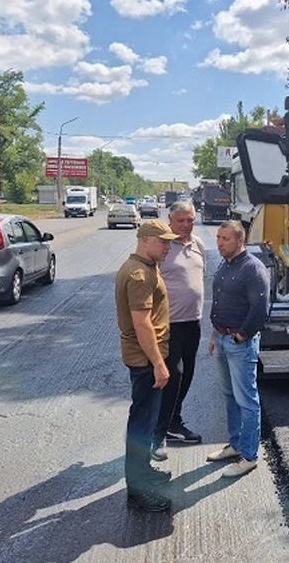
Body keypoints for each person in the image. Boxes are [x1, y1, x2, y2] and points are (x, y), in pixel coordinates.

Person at [114, 219, 178, 512]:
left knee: (145, 420)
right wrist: (158, 364)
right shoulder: (139, 275)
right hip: (144, 360)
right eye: (163, 242)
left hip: (145, 358)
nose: (168, 247)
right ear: (145, 240)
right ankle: (139, 491)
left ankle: (142, 476)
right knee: (141, 425)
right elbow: (142, 325)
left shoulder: (146, 266)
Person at [205, 220, 271, 478]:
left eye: (225, 239)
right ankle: (235, 444)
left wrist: (241, 335)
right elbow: (221, 301)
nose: (219, 243)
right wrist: (214, 334)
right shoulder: (225, 264)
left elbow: (260, 310)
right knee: (229, 395)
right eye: (218, 238)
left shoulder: (252, 269)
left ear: (239, 241)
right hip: (221, 339)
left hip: (239, 343)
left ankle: (249, 455)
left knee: (247, 400)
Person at [151, 201, 205, 461]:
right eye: (181, 220)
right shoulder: (163, 247)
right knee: (172, 376)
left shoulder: (198, 244)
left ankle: (174, 422)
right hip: (168, 323)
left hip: (192, 322)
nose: (186, 225)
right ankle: (158, 434)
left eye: (190, 220)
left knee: (188, 375)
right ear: (170, 219)